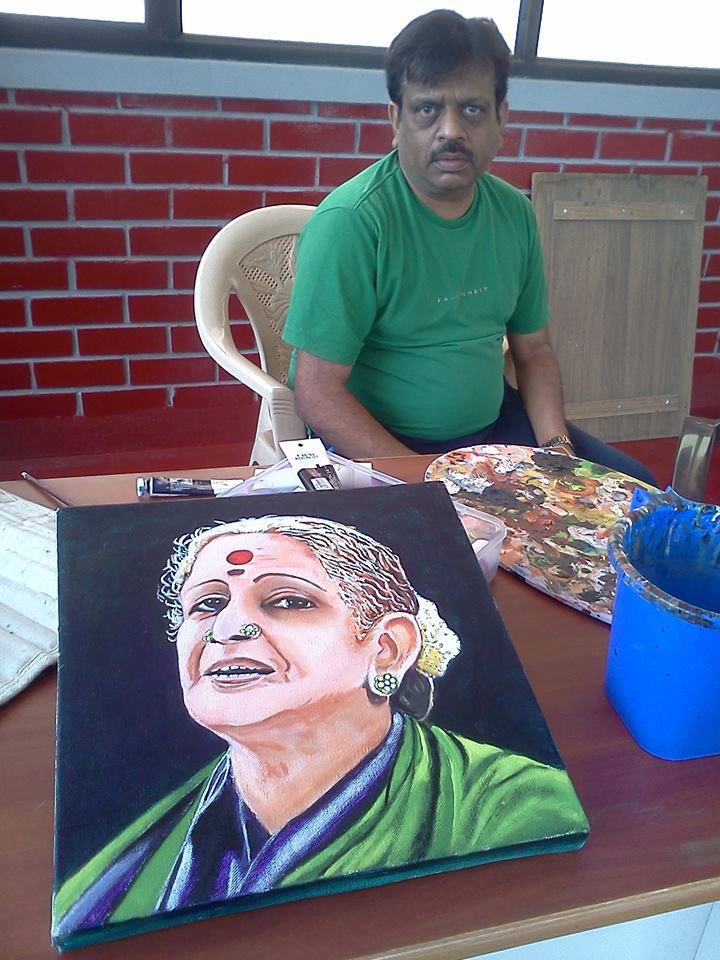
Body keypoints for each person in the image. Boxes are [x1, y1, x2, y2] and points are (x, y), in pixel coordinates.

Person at [52, 514, 588, 938]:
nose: (226, 629)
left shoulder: (516, 805)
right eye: (208, 604)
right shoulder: (112, 877)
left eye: (287, 600)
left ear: (387, 648)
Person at [282, 9, 656, 486]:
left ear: (502, 117)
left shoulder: (514, 214)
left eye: (473, 109)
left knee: (639, 496)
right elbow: (317, 395)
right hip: (382, 446)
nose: (451, 131)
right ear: (396, 120)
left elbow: (534, 351)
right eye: (427, 109)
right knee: (459, 536)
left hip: (495, 433)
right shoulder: (352, 222)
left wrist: (556, 450)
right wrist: (428, 484)